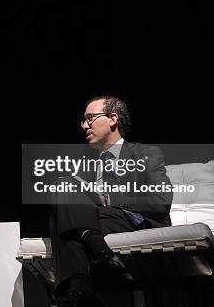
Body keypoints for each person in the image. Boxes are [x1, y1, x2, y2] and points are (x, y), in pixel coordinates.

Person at [50, 96, 172, 307]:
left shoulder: (146, 153)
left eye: (90, 118)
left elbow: (161, 201)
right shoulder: (84, 163)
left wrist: (109, 198)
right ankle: (101, 257)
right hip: (99, 220)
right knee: (63, 184)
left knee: (64, 225)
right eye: (83, 120)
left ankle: (76, 291)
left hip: (136, 220)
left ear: (112, 119)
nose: (84, 125)